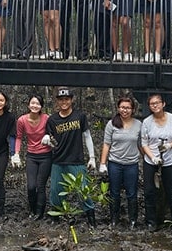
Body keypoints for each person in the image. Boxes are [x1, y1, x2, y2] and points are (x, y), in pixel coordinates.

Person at [46, 86, 97, 227]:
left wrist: (92, 157)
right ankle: (55, 219)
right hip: (58, 160)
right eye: (61, 99)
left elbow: (87, 136)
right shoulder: (52, 120)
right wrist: (47, 140)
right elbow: (50, 139)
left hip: (76, 160)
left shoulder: (79, 116)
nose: (64, 102)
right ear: (57, 101)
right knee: (56, 191)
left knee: (82, 190)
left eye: (66, 99)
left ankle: (91, 220)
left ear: (71, 100)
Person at [141, 93, 172, 231]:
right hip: (151, 161)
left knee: (171, 191)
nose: (155, 105)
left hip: (170, 161)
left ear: (163, 104)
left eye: (157, 103)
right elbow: (144, 143)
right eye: (152, 104)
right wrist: (152, 157)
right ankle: (151, 222)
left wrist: (169, 145)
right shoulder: (147, 122)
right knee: (149, 191)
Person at [99, 96, 141, 229]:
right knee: (114, 192)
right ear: (118, 108)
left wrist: (148, 158)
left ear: (133, 109)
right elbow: (106, 144)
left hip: (131, 164)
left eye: (128, 108)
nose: (125, 110)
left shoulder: (139, 125)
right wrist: (102, 163)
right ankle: (114, 219)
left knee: (132, 193)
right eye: (123, 107)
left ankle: (133, 220)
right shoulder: (112, 124)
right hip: (115, 163)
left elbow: (142, 144)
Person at [13, 95, 52, 220]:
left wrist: (49, 138)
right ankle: (32, 209)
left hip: (46, 155)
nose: (35, 106)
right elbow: (19, 137)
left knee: (40, 186)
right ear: (29, 105)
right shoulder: (22, 120)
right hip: (31, 156)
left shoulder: (47, 118)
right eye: (33, 103)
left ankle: (39, 213)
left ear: (41, 106)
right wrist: (16, 153)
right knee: (31, 186)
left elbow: (53, 134)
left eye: (38, 104)